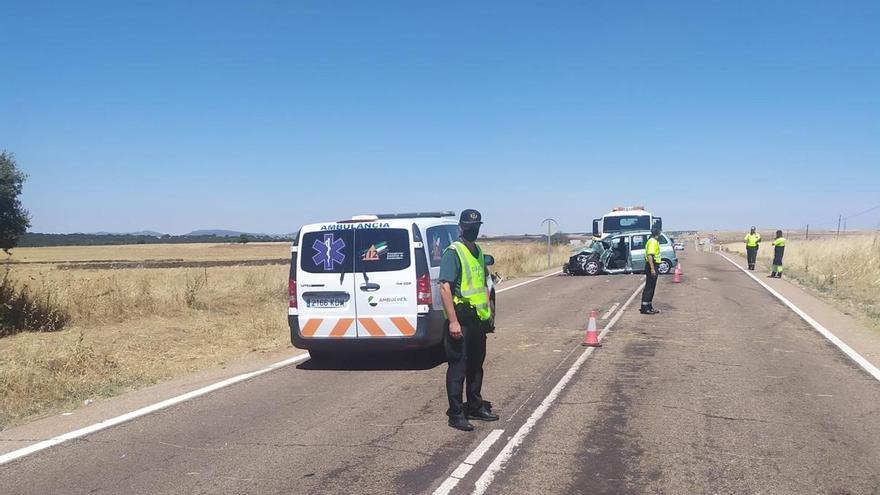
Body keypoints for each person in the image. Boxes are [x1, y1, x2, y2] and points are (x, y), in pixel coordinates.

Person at [438, 209, 498, 431]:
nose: (474, 229)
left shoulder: (478, 250)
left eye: (477, 226)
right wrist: (453, 321)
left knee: (476, 366)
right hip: (460, 320)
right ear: (461, 227)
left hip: (477, 321)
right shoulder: (453, 252)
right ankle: (456, 413)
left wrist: (489, 313)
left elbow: (484, 283)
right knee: (458, 368)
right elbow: (444, 288)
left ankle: (475, 405)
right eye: (469, 226)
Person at [640, 227, 662, 315]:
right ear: (658, 233)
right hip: (651, 265)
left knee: (651, 287)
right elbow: (650, 255)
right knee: (649, 287)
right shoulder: (653, 242)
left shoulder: (652, 241)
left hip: (653, 265)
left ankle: (649, 305)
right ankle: (645, 307)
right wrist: (652, 268)